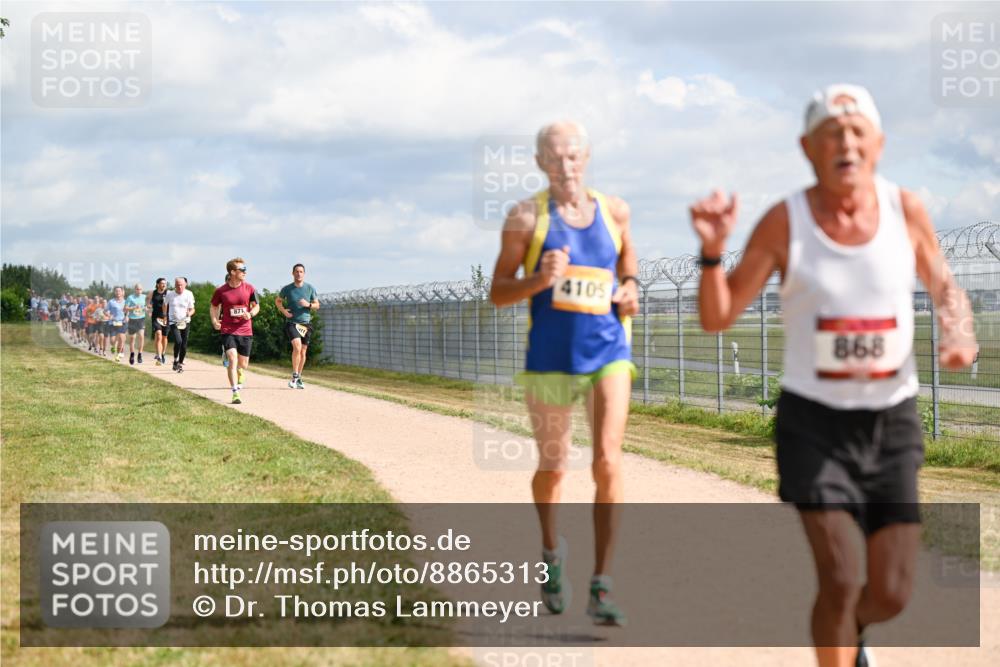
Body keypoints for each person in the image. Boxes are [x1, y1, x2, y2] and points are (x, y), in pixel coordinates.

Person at [689, 84, 978, 667]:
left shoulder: (905, 210)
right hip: (814, 425)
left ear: (878, 144)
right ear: (807, 148)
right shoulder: (785, 221)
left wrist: (958, 331)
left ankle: (853, 632)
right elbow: (718, 316)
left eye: (856, 132)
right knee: (841, 576)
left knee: (891, 592)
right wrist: (713, 254)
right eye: (831, 134)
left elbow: (945, 286)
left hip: (891, 421)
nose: (845, 143)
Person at [489, 121, 639, 627]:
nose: (565, 166)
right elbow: (498, 291)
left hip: (609, 352)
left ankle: (603, 583)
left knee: (607, 461)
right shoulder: (525, 218)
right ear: (540, 163)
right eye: (554, 158)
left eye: (573, 156)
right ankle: (552, 552)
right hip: (550, 359)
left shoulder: (615, 210)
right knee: (554, 467)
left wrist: (630, 287)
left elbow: (628, 259)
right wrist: (539, 279)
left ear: (586, 157)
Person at [210, 258, 259, 404]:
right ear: (232, 272)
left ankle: (239, 370)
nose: (245, 272)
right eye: (242, 270)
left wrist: (250, 313)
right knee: (232, 358)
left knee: (243, 364)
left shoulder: (249, 288)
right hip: (228, 329)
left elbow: (256, 306)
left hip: (245, 330)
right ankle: (235, 392)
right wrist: (214, 320)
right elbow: (214, 306)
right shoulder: (221, 291)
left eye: (245, 269)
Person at [276, 263, 320, 389]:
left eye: (301, 271)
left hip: (306, 324)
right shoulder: (287, 289)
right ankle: (295, 376)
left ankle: (299, 377)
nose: (299, 274)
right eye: (296, 271)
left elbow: (317, 305)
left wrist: (308, 304)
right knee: (297, 347)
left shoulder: (310, 288)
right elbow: (278, 301)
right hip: (292, 323)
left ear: (304, 274)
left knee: (303, 351)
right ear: (293, 273)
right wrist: (284, 311)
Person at [164, 277, 195, 372]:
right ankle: (175, 359)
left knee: (184, 345)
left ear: (185, 285)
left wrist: (189, 313)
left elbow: (192, 309)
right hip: (173, 321)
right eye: (177, 285)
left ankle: (180, 364)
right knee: (178, 341)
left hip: (185, 321)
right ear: (175, 285)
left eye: (181, 285)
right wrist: (165, 316)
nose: (179, 287)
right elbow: (165, 304)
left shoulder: (189, 294)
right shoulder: (170, 294)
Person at [147, 278, 170, 366]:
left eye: (165, 283)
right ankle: (159, 356)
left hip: (166, 317)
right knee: (159, 335)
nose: (164, 285)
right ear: (157, 284)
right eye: (162, 283)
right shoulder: (152, 293)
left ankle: (163, 353)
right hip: (156, 317)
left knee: (164, 337)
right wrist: (149, 309)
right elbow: (148, 304)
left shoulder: (168, 293)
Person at [124, 283, 146, 364]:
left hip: (141, 319)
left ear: (142, 290)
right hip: (132, 319)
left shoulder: (144, 297)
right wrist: (133, 307)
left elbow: (148, 306)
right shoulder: (130, 297)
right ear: (135, 289)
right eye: (137, 289)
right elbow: (125, 308)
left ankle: (140, 354)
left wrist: (146, 308)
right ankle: (132, 354)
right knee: (132, 338)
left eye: (140, 289)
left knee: (141, 336)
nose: (139, 291)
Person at [106, 287, 128, 362]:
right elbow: (105, 311)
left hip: (122, 322)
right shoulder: (111, 302)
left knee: (121, 338)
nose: (118, 292)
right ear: (115, 292)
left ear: (122, 292)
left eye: (119, 291)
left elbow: (128, 311)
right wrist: (109, 315)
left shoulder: (126, 302)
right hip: (113, 322)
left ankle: (118, 355)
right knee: (112, 340)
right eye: (116, 291)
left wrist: (127, 316)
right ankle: (113, 346)